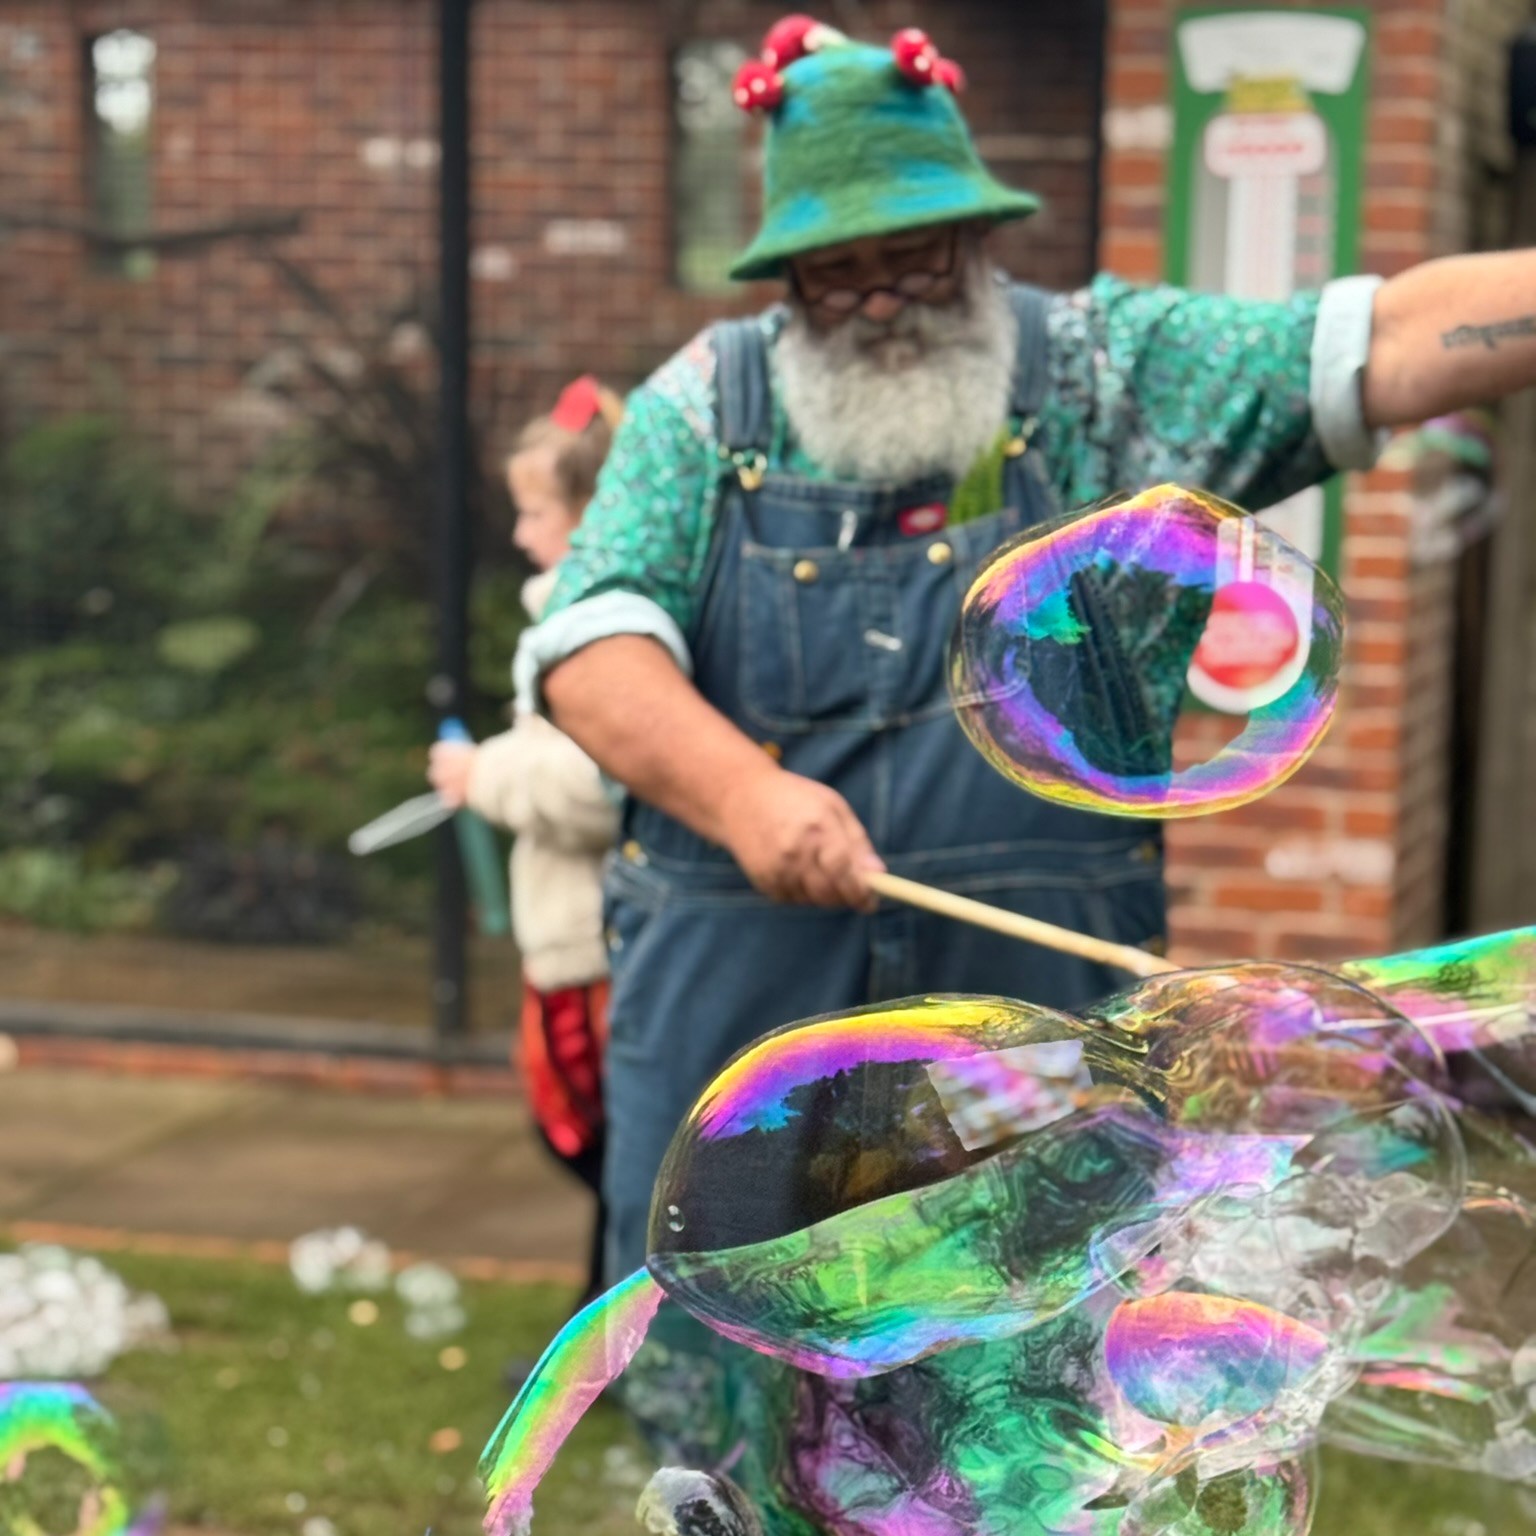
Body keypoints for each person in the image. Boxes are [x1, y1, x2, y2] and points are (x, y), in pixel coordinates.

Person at [512, 17, 1536, 1528]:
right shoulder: (697, 410)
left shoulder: (1115, 374)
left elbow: (1385, 339)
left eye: (915, 258)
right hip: (751, 1028)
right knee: (724, 1440)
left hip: (1028, 1054)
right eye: (835, 272)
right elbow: (591, 654)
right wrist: (749, 799)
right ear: (784, 280)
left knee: (1025, 1431)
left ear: (981, 238)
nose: (879, 303)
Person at [430, 376, 623, 1318]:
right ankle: (611, 1318)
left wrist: (485, 781)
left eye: (534, 510)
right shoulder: (565, 612)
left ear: (588, 514)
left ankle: (633, 1323)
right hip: (566, 935)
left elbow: (601, 786)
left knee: (588, 1133)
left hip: (595, 938)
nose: (519, 533)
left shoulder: (592, 623)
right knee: (594, 1135)